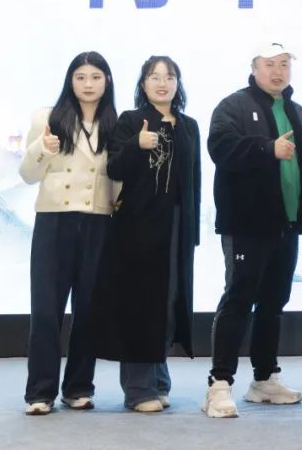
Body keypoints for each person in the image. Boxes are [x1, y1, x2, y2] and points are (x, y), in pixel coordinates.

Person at [203, 42, 302, 419]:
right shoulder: (233, 106)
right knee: (238, 298)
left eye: (284, 64)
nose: (278, 72)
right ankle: (219, 383)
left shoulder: (300, 113)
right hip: (246, 225)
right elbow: (220, 147)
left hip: (287, 227)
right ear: (254, 67)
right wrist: (266, 149)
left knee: (274, 303)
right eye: (270, 64)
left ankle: (264, 379)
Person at [91, 55, 202, 413]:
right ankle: (138, 390)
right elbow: (114, 167)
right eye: (154, 77)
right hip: (137, 229)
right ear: (143, 84)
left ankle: (159, 382)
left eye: (169, 77)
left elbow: (194, 181)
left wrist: (192, 233)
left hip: (177, 228)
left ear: (177, 83)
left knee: (168, 303)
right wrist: (136, 146)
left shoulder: (189, 126)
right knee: (140, 305)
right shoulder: (130, 120)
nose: (162, 83)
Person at [18, 51, 118, 415]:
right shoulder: (46, 118)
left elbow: (118, 180)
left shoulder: (116, 123)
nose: (88, 84)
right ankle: (39, 392)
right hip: (54, 221)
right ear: (70, 81)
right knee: (46, 309)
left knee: (89, 311)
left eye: (96, 77)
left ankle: (78, 387)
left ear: (107, 81)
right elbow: (27, 175)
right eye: (81, 77)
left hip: (99, 222)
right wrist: (41, 149)